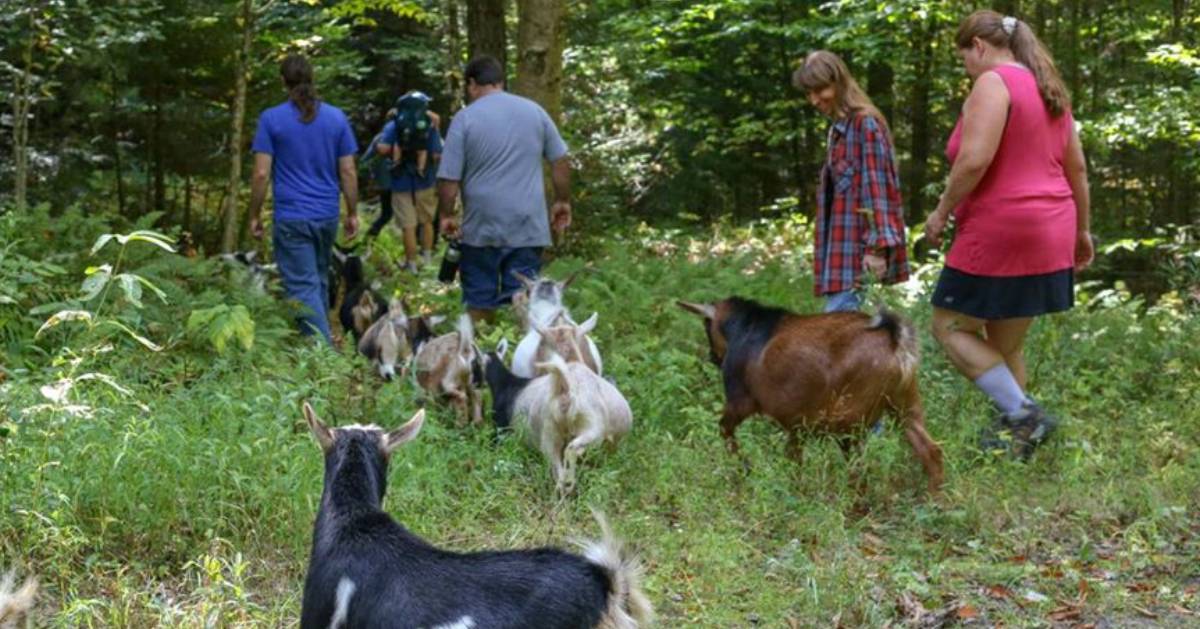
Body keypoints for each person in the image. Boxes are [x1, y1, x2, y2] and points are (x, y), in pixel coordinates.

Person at [923, 10, 1094, 459]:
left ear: (978, 47)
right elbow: (1076, 166)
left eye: (964, 59)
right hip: (1053, 224)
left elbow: (975, 160)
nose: (967, 69)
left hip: (1003, 225)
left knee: (949, 325)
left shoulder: (992, 83)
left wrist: (942, 212)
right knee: (1005, 342)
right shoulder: (1048, 87)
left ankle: (1024, 414)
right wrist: (1083, 230)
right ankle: (1017, 447)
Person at [437, 55, 572, 323]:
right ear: (500, 82)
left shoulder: (464, 119)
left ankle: (483, 355)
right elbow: (560, 160)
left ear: (472, 84)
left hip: (481, 229)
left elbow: (449, 180)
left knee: (478, 301)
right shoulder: (535, 112)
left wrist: (447, 215)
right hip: (528, 225)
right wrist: (562, 201)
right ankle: (522, 357)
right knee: (522, 300)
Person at [248, 54, 359, 344]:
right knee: (318, 279)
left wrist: (255, 215)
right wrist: (352, 212)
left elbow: (261, 174)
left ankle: (322, 357)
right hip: (326, 215)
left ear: (283, 82)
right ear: (312, 79)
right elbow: (347, 170)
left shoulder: (271, 119)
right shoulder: (336, 118)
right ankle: (318, 343)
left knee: (303, 285)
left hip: (292, 217)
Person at [793, 50, 909, 313]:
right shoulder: (838, 130)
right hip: (839, 255)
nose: (814, 100)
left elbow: (878, 191)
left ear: (839, 82)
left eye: (820, 90)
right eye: (808, 93)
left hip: (857, 258)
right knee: (841, 343)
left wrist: (877, 250)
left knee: (832, 341)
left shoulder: (864, 125)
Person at [378, 104, 443, 272]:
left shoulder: (394, 124)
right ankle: (428, 260)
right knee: (427, 221)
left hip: (401, 181)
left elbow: (382, 148)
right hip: (425, 180)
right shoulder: (429, 125)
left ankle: (412, 265)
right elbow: (437, 154)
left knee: (408, 225)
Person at [361, 116, 394, 239]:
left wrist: (373, 174)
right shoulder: (403, 137)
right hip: (398, 184)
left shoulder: (378, 138)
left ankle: (369, 238)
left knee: (387, 214)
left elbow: (365, 160)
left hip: (384, 183)